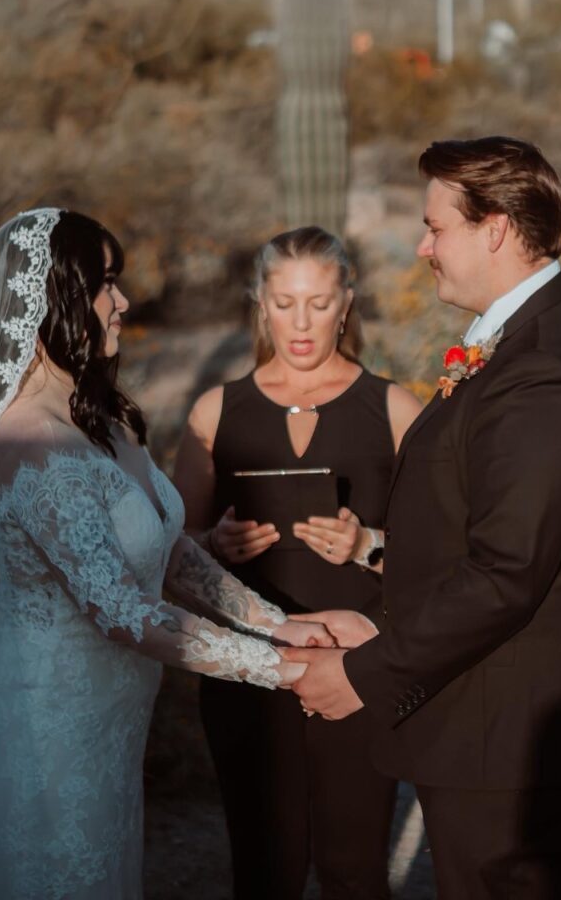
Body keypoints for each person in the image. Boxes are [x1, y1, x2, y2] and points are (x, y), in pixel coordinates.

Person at [0, 208, 332, 900]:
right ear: (54, 300)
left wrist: (276, 623)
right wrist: (285, 671)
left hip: (106, 724)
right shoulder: (26, 442)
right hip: (39, 735)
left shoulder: (102, 418)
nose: (122, 302)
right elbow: (121, 612)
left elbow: (167, 549)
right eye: (106, 284)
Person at [287, 138, 561, 900]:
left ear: (494, 229)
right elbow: (486, 535)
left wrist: (365, 674)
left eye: (434, 227)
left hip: (514, 743)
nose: (421, 247)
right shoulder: (524, 338)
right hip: (495, 721)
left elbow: (506, 574)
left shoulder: (543, 366)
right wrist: (384, 612)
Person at [172, 226, 422, 900]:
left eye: (317, 302)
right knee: (263, 871)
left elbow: (443, 558)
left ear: (346, 302)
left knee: (354, 871)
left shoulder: (397, 409)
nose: (301, 322)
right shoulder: (213, 412)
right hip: (248, 675)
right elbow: (167, 549)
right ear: (259, 303)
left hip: (357, 667)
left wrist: (367, 544)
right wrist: (212, 545)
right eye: (284, 302)